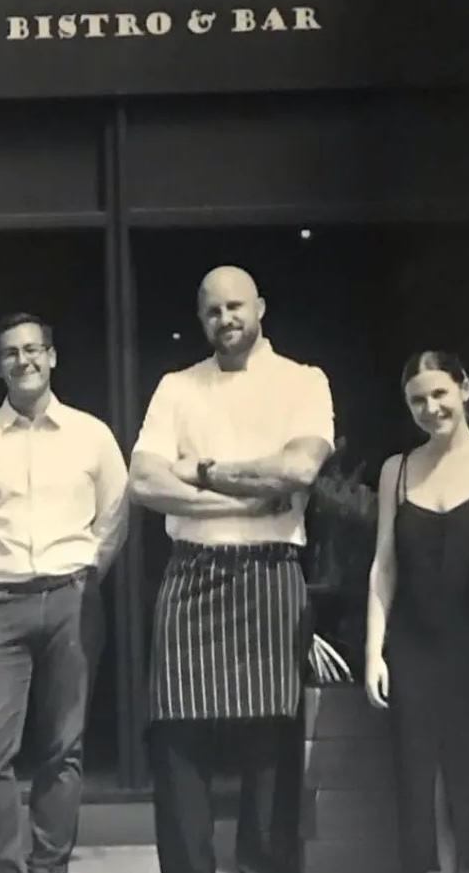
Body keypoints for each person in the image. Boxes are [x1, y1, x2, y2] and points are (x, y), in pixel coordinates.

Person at [129, 266, 335, 873]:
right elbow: (144, 480)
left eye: (236, 306)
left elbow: (298, 470)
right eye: (214, 310)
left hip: (272, 570)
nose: (226, 319)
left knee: (271, 741)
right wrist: (243, 498)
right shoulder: (176, 387)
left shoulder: (303, 382)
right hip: (191, 572)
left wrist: (201, 471)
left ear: (260, 308)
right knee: (177, 742)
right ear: (201, 319)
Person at [0, 312, 129, 873]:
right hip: (0, 604)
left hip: (73, 598)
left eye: (32, 349)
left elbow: (113, 519)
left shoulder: (92, 436)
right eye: (10, 353)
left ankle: (49, 865)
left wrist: (82, 574)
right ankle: (1, 866)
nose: (23, 361)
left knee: (63, 746)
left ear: (51, 356)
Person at [364, 352, 469, 873]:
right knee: (419, 786)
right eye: (417, 400)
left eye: (439, 394)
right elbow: (384, 565)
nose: (430, 408)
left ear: (464, 389)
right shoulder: (396, 471)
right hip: (412, 650)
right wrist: (373, 652)